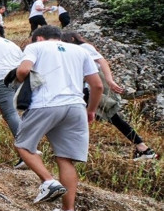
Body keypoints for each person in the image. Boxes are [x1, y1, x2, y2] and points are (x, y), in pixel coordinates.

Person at [13, 25, 103, 211]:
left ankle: (48, 182)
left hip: (45, 103)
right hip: (76, 106)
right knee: (65, 159)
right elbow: (97, 85)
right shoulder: (80, 51)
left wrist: (21, 79)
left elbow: (23, 70)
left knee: (23, 145)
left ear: (39, 38)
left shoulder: (36, 48)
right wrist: (91, 110)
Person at [61, 31, 158, 161]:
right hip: (82, 89)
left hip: (89, 90)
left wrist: (110, 80)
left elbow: (102, 61)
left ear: (72, 39)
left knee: (110, 117)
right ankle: (143, 148)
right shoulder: (72, 51)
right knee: (111, 119)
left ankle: (143, 148)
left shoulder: (84, 47)